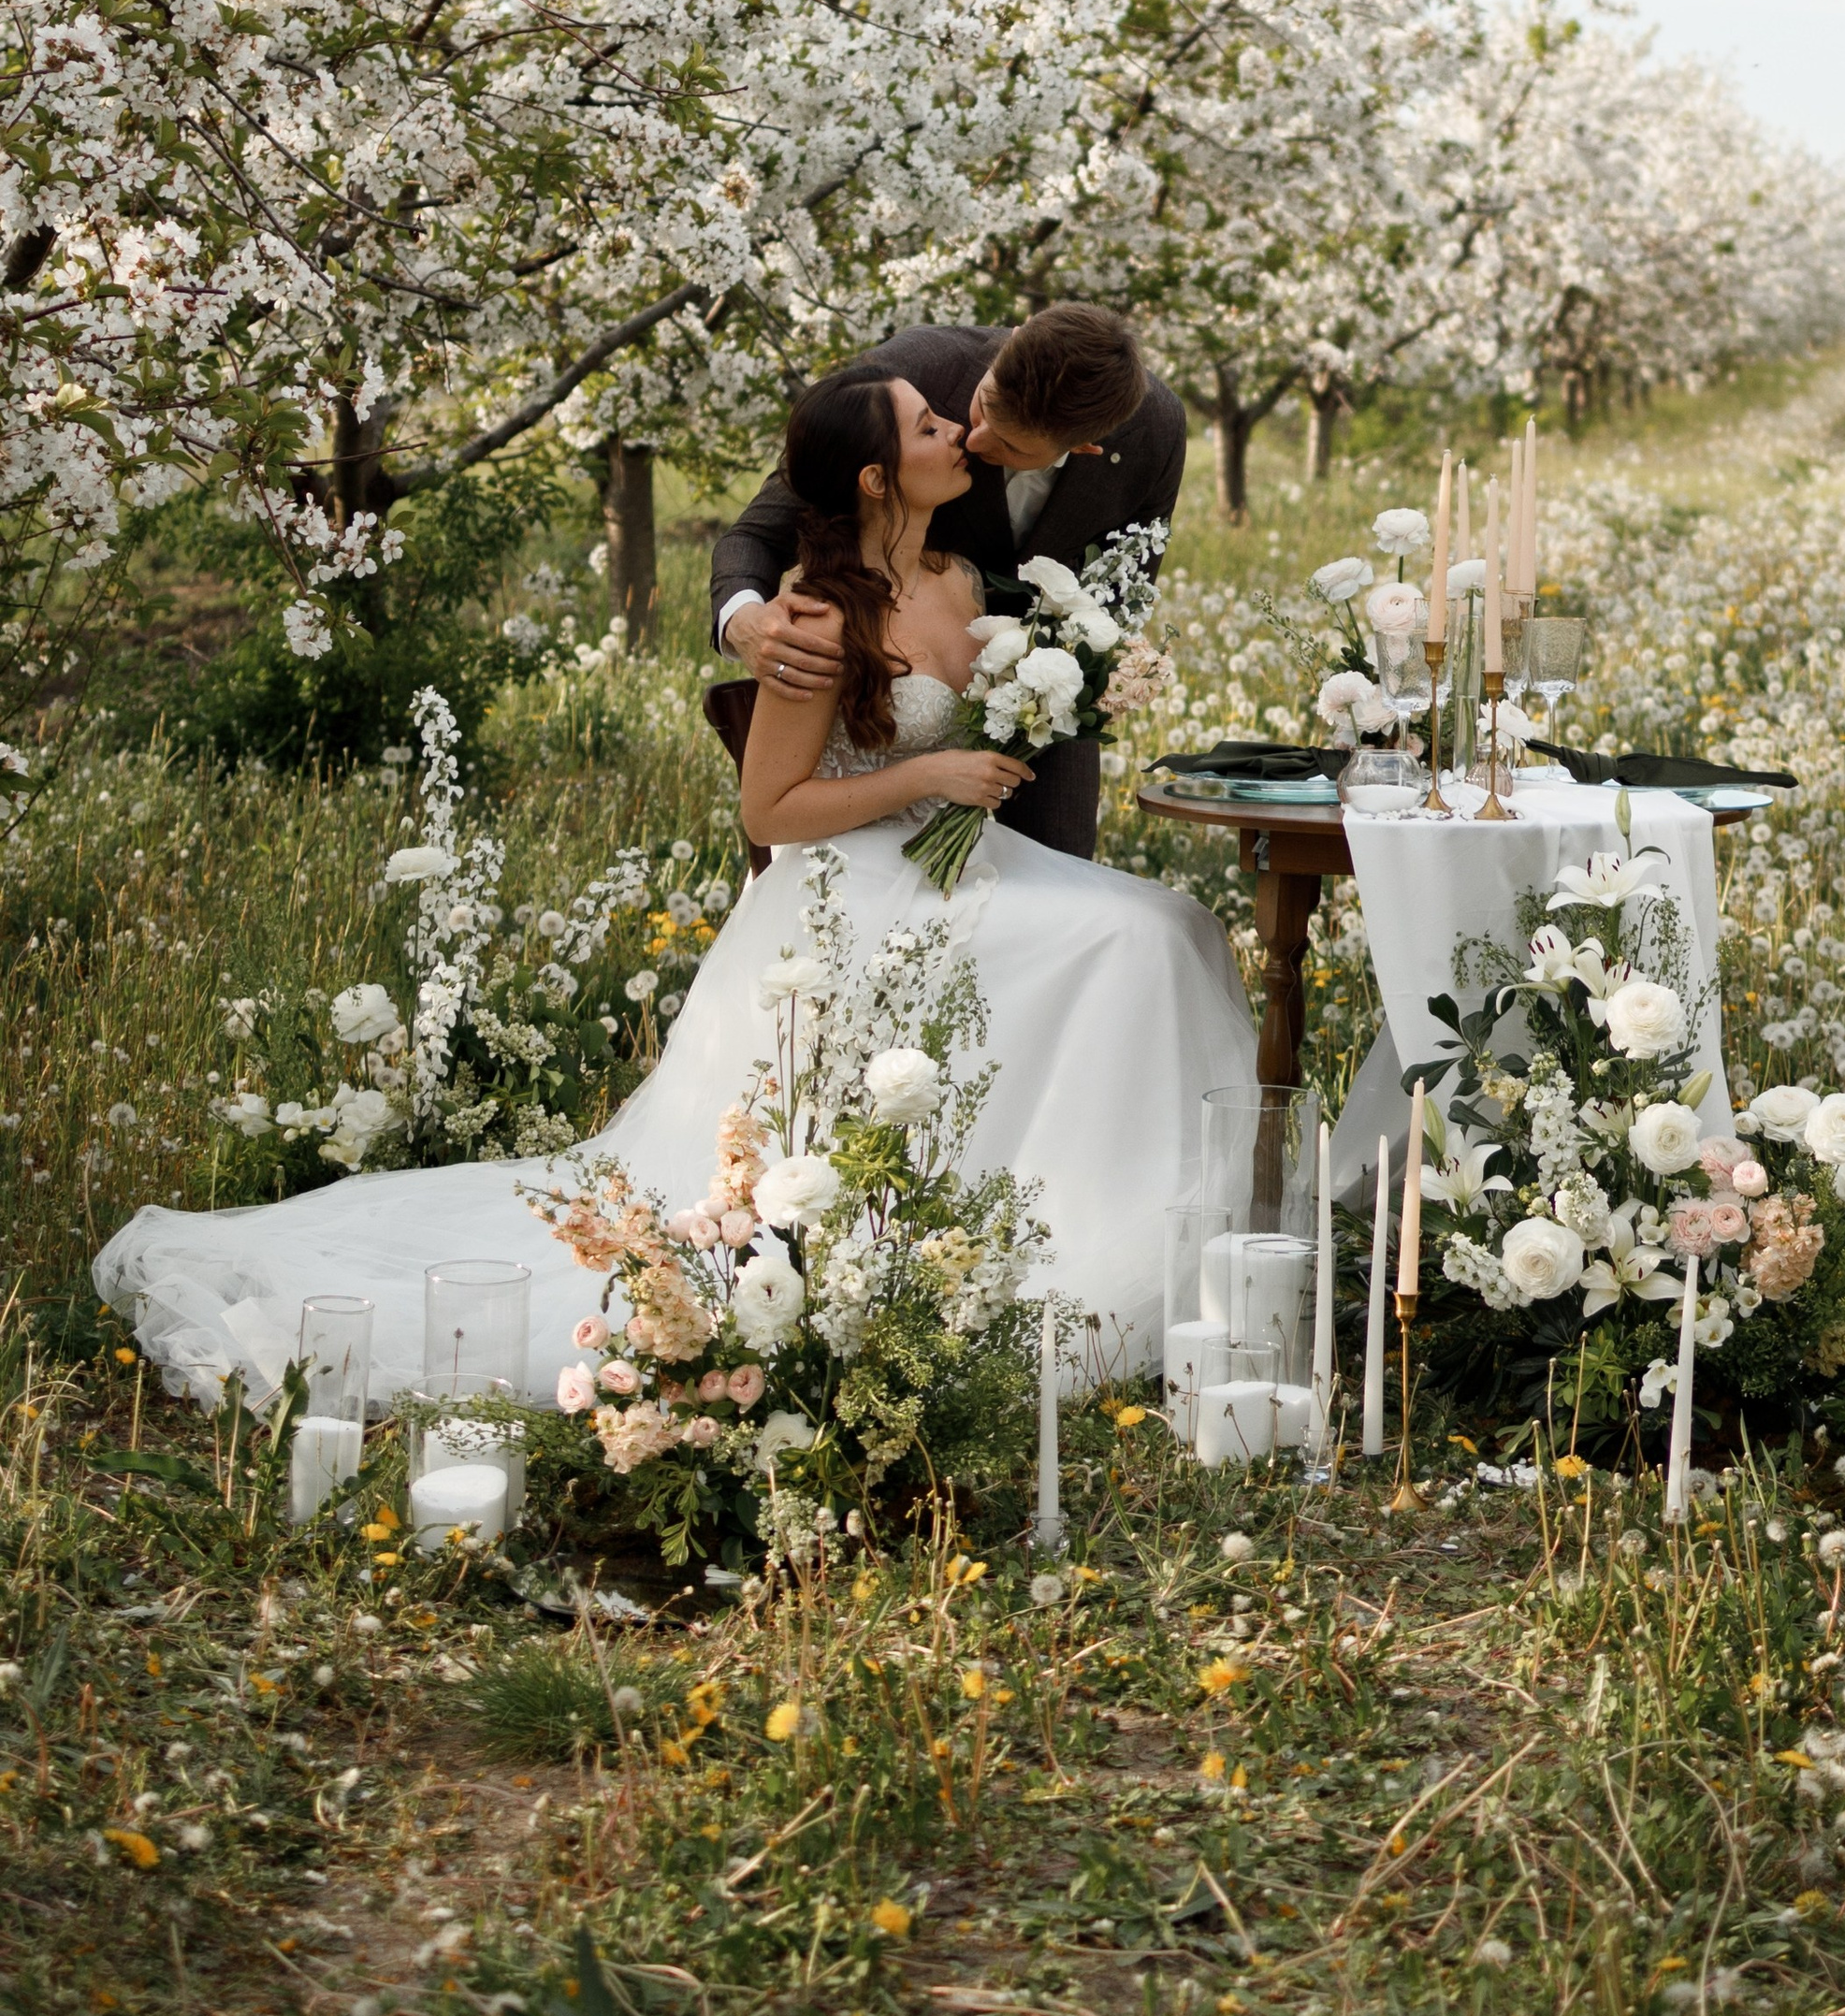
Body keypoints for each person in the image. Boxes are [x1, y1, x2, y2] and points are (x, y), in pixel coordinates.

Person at [94, 367, 1255, 1404]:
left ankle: (1097, 1223)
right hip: (849, 891)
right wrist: (928, 770)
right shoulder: (814, 614)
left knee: (1174, 927)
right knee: (1132, 944)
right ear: (873, 471)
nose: (956, 431)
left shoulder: (961, 575)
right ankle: (1062, 1249)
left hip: (961, 861)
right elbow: (770, 812)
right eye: (928, 424)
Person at [710, 303, 1184, 862]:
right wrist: (743, 619)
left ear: (1083, 447)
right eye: (979, 406)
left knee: (1076, 896)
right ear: (1013, 337)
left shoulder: (1154, 433)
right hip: (875, 719)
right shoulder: (909, 380)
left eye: (1009, 447)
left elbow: (1119, 604)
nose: (972, 440)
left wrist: (1044, 703)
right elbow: (762, 532)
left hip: (1044, 719)